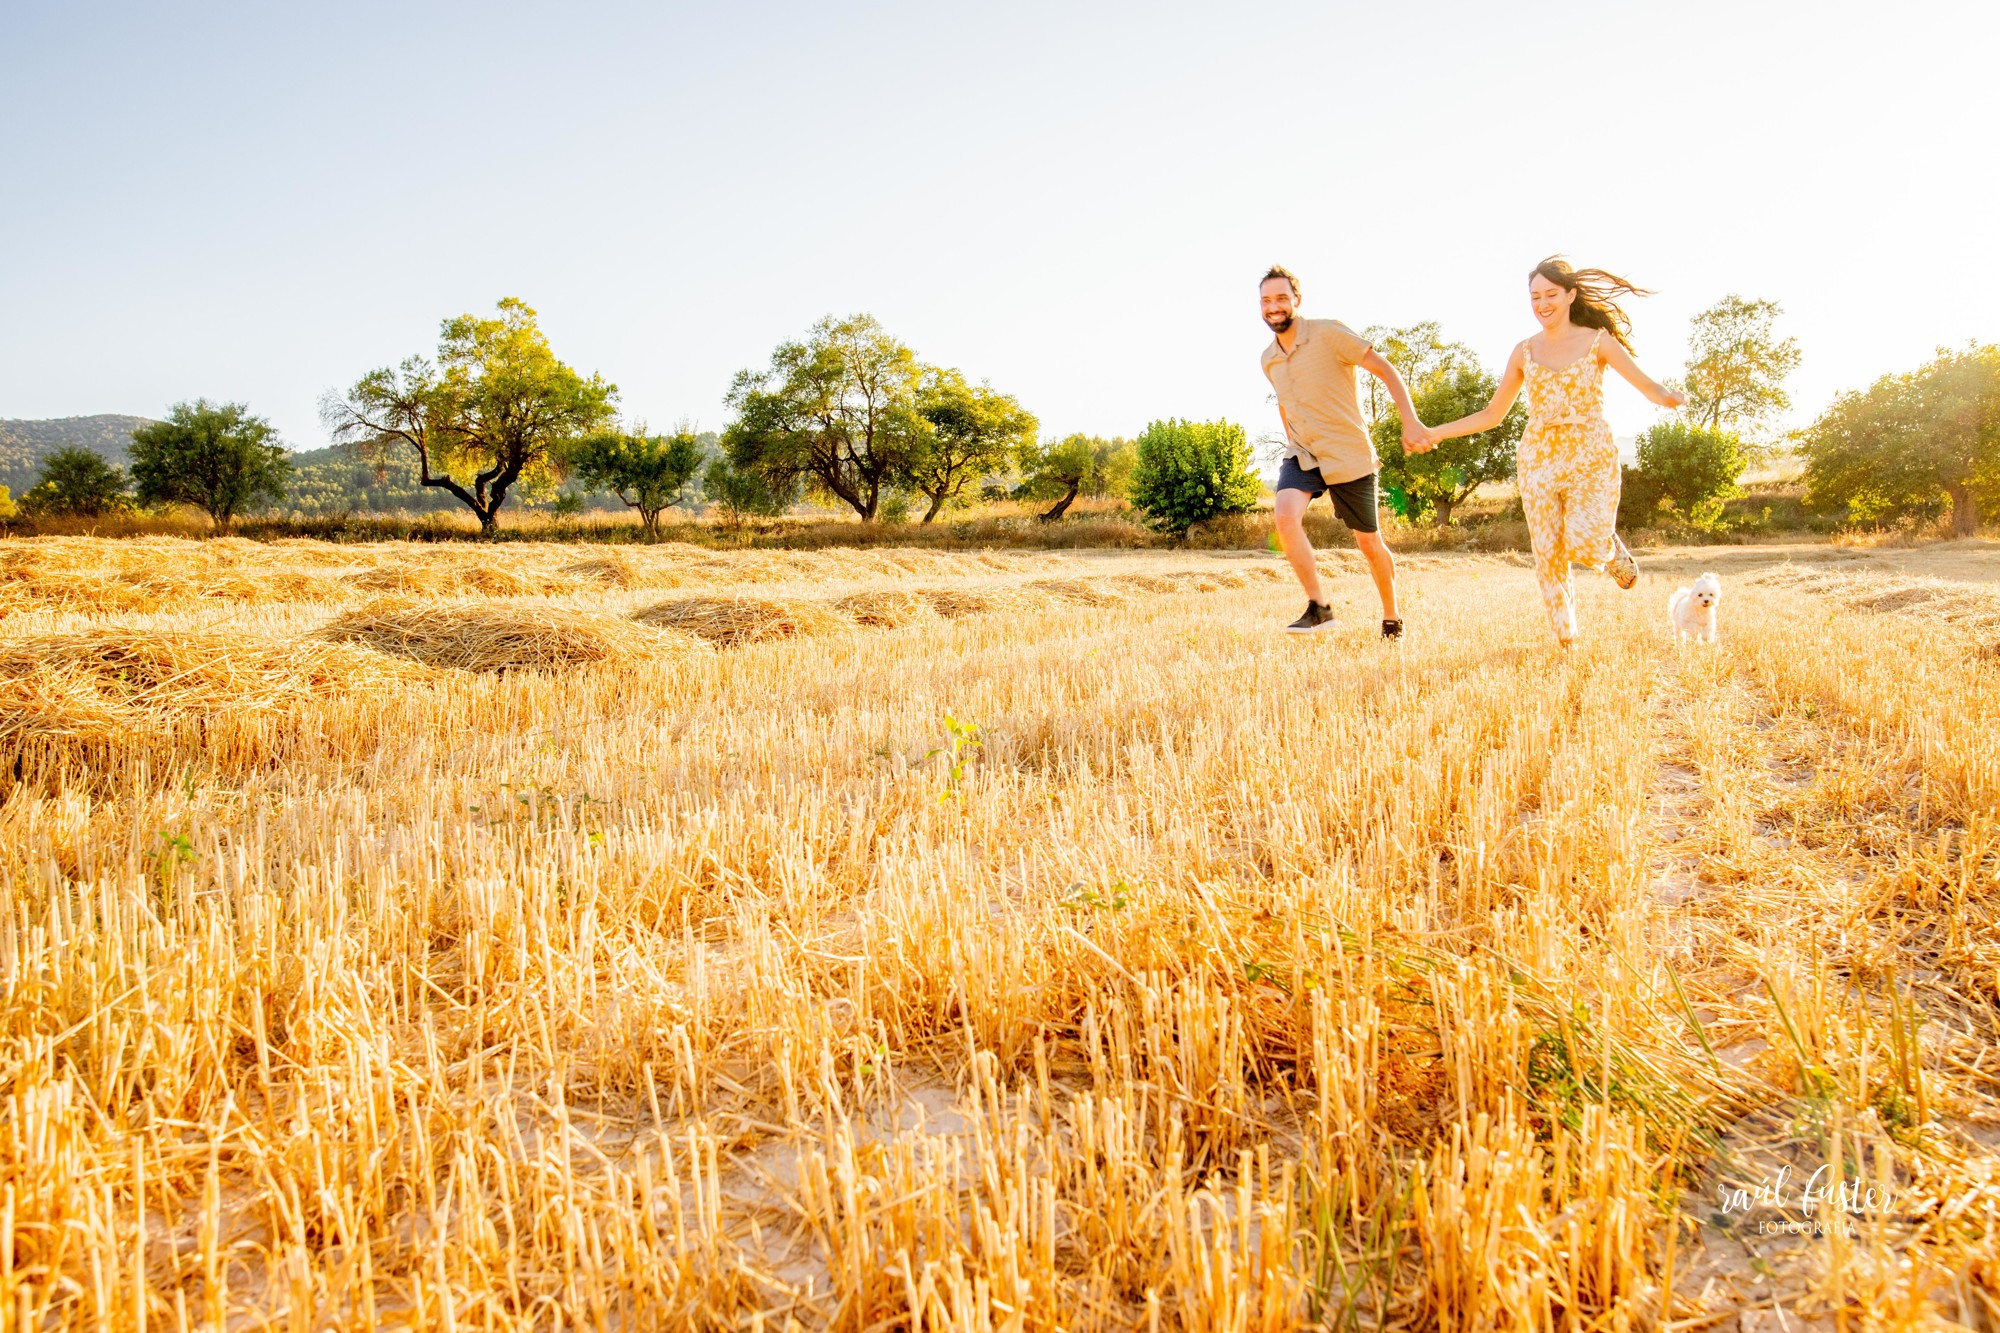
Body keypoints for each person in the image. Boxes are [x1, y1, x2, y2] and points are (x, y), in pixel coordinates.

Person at [1423, 257, 1686, 646]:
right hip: (1539, 457)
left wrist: (1668, 397)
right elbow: (1493, 414)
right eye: (1535, 297)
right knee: (1547, 552)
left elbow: (1645, 385)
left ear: (1570, 295)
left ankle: (1609, 551)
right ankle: (1567, 640)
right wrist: (1438, 433)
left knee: (1585, 541)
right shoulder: (1524, 351)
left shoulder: (1598, 341)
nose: (1542, 303)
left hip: (1590, 454)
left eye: (1550, 294)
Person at [1258, 264, 1433, 638]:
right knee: (1286, 517)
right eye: (1266, 300)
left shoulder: (1328, 333)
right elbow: (1285, 402)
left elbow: (1385, 369)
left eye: (1280, 298)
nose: (1273, 306)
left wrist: (1411, 421)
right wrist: (1292, 439)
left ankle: (1391, 617)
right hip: (1303, 452)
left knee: (1368, 543)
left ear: (1296, 300)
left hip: (1347, 452)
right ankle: (1319, 607)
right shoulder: (1268, 358)